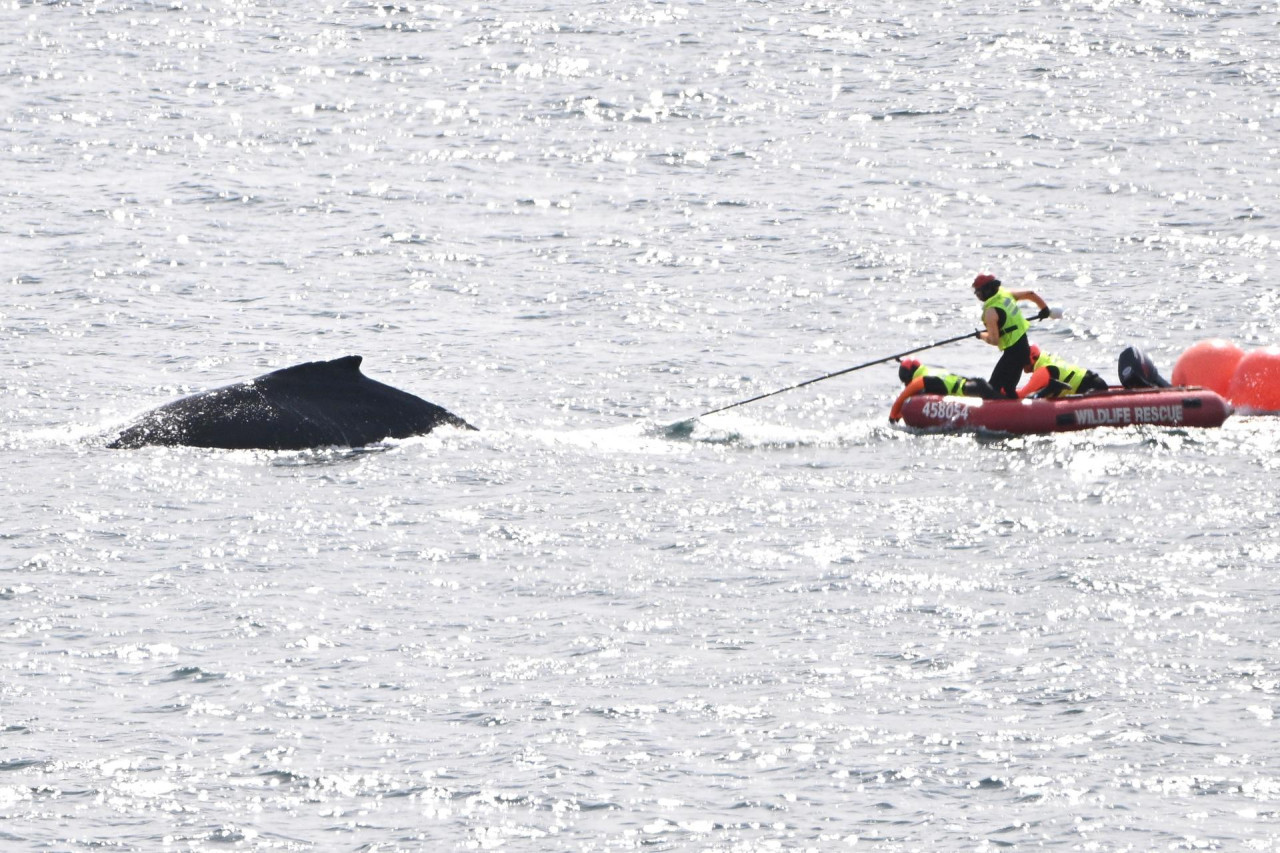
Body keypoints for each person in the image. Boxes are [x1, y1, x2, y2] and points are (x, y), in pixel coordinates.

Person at [972, 273, 1050, 399]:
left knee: (992, 388)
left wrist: (980, 335)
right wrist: (1044, 309)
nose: (977, 295)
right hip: (1024, 349)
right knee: (1009, 388)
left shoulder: (991, 312)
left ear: (987, 290)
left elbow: (994, 340)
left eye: (979, 292)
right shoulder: (1005, 294)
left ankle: (995, 414)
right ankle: (1017, 412)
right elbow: (1030, 293)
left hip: (1013, 353)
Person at [889, 358, 999, 422]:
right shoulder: (931, 372)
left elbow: (901, 399)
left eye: (906, 382)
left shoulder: (920, 380)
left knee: (1001, 400)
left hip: (973, 390)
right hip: (975, 385)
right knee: (1004, 397)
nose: (907, 385)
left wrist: (892, 417)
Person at [1017, 344, 1110, 398]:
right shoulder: (1047, 360)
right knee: (1037, 395)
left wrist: (1002, 390)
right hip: (1093, 381)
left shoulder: (1042, 371)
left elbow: (1022, 395)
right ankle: (1051, 387)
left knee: (1031, 397)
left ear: (1031, 359)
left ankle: (1052, 387)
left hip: (1092, 387)